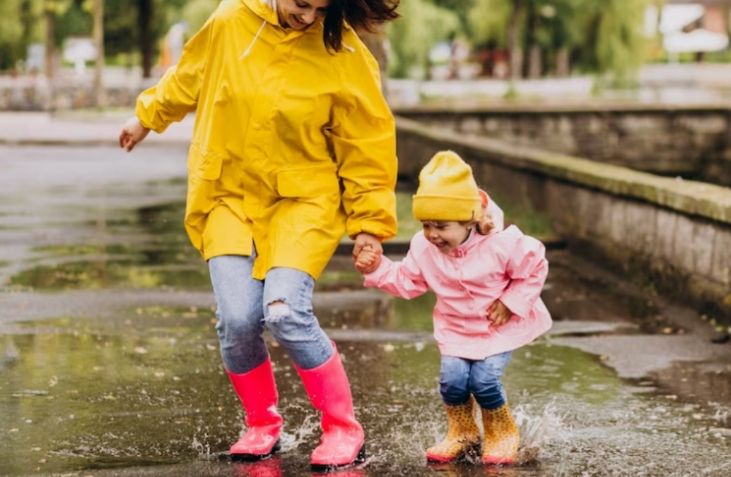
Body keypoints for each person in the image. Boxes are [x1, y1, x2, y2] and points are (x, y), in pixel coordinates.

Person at [118, 0, 400, 471]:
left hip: (301, 200)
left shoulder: (345, 50)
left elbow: (366, 144)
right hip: (227, 194)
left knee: (285, 311)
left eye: (321, 7)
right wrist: (145, 118)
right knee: (238, 319)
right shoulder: (231, 21)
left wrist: (369, 225)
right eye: (302, 4)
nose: (309, 16)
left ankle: (342, 428)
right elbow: (188, 75)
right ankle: (262, 423)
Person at [354, 151, 552, 465]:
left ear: (469, 220)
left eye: (441, 226)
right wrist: (376, 269)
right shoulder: (424, 246)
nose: (432, 234)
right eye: (426, 224)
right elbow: (408, 280)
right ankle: (463, 431)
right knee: (453, 380)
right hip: (456, 327)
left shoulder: (501, 243)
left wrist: (511, 302)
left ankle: (501, 432)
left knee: (484, 380)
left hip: (497, 326)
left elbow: (534, 266)